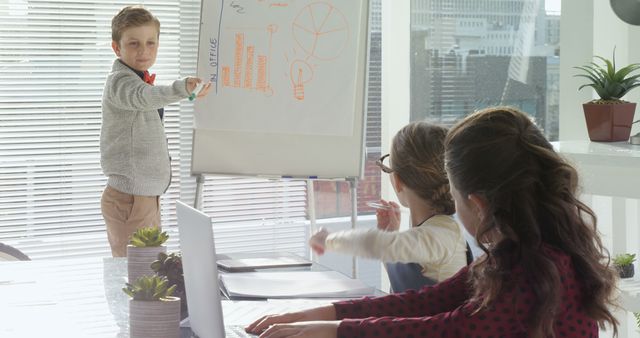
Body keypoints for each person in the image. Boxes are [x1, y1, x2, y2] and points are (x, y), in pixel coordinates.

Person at [245, 107, 619, 338]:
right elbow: (428, 301)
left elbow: (446, 329)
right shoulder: (522, 255)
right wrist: (316, 316)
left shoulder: (535, 272)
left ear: (476, 204)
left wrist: (335, 330)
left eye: (455, 198)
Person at [100, 5, 211, 257]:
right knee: (139, 279)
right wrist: (183, 88)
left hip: (143, 198)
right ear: (116, 48)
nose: (144, 51)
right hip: (131, 200)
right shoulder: (120, 82)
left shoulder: (138, 78)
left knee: (147, 276)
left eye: (151, 43)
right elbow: (145, 97)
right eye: (134, 44)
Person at [309, 121, 468, 292]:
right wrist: (390, 233)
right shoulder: (435, 233)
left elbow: (377, 244)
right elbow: (404, 287)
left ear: (397, 181)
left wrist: (328, 239)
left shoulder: (444, 235)